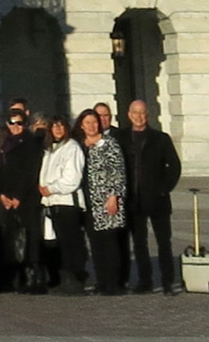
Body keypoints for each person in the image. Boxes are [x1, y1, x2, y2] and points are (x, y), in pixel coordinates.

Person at [119, 99, 182, 293]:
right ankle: (145, 281)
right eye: (135, 113)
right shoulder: (121, 137)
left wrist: (164, 188)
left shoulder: (160, 138)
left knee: (164, 242)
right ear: (129, 115)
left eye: (143, 113)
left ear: (148, 115)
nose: (139, 116)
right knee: (139, 244)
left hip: (157, 199)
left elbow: (174, 166)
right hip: (133, 199)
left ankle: (167, 281)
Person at [0, 105, 46, 292]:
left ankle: (35, 278)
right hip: (8, 198)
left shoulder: (31, 143)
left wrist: (18, 196)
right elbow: (1, 171)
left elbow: (30, 172)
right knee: (15, 239)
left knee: (31, 238)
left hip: (27, 197)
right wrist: (2, 193)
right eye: (12, 122)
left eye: (20, 123)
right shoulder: (5, 143)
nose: (16, 126)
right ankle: (20, 277)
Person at [78, 108, 127, 293]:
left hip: (107, 201)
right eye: (87, 123)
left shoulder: (109, 144)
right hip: (88, 201)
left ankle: (113, 283)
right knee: (96, 244)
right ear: (81, 125)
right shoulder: (80, 145)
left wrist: (113, 196)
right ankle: (101, 280)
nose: (91, 126)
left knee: (110, 243)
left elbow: (118, 172)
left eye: (94, 122)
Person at [37, 114, 87, 289]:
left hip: (67, 202)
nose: (58, 129)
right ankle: (62, 277)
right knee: (57, 243)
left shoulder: (72, 148)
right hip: (52, 202)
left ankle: (75, 279)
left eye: (61, 125)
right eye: (54, 126)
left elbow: (72, 179)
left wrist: (51, 188)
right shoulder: (50, 150)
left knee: (70, 243)